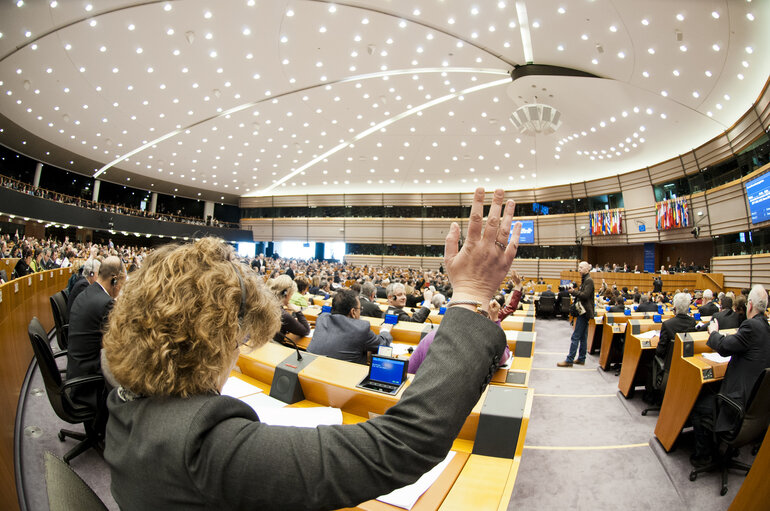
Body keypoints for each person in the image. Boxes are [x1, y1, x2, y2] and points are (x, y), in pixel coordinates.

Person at [101, 188, 520, 510]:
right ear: (215, 341)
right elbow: (402, 445)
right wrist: (473, 294)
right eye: (240, 341)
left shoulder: (124, 403)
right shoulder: (206, 448)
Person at [689, 285, 770, 466]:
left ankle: (703, 455)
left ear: (749, 306)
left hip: (737, 406)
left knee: (697, 404)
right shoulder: (766, 327)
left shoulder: (750, 326)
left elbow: (724, 348)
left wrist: (714, 332)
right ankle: (727, 450)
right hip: (756, 408)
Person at [67, 256, 125, 408]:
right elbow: (117, 344)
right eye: (121, 283)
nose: (120, 288)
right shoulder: (106, 304)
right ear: (114, 279)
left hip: (76, 369)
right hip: (90, 382)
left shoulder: (88, 293)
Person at [308, 289, 392, 364]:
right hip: (346, 377)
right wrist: (385, 331)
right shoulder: (361, 328)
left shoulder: (322, 318)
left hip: (314, 372)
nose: (360, 312)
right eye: (360, 309)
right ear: (353, 312)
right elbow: (382, 344)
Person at [558, 261, 594, 367]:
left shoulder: (589, 281)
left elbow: (585, 295)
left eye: (582, 267)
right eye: (579, 267)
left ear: (587, 269)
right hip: (584, 311)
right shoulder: (586, 280)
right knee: (583, 337)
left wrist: (573, 291)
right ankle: (581, 358)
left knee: (576, 336)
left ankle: (569, 360)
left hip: (584, 312)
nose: (579, 269)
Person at [267, 275, 310, 342]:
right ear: (286, 294)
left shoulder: (266, 304)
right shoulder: (282, 314)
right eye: (291, 294)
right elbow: (306, 331)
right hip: (273, 349)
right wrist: (298, 311)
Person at [654, 293, 697, 359]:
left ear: (675, 308)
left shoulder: (667, 324)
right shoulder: (693, 322)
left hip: (670, 362)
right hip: (687, 360)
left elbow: (660, 351)